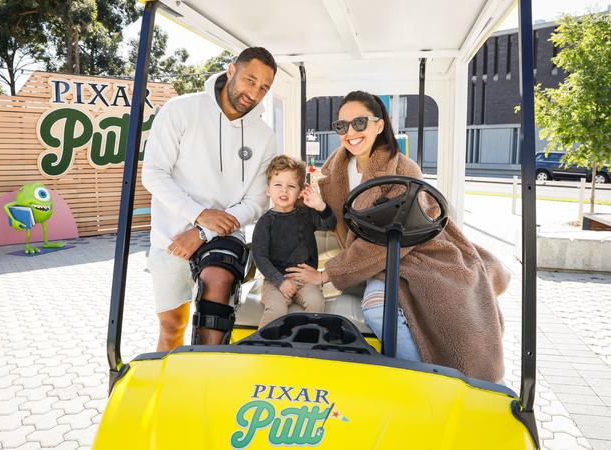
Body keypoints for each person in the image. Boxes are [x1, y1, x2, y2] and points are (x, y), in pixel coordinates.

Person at [285, 91, 510, 383]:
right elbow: (336, 220)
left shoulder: (404, 169)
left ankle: (424, 381)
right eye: (342, 126)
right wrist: (313, 205)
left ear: (379, 125)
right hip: (374, 259)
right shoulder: (334, 168)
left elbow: (392, 239)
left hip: (418, 254)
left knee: (381, 309)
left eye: (360, 123)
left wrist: (326, 274)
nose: (350, 133)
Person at [142, 47, 278, 350]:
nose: (254, 93)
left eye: (263, 88)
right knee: (171, 327)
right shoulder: (180, 110)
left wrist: (204, 231)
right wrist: (198, 215)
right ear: (231, 71)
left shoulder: (264, 136)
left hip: (225, 233)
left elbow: (257, 202)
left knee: (216, 289)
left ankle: (206, 370)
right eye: (249, 80)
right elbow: (153, 174)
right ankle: (171, 388)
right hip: (171, 236)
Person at [252, 155, 337, 328]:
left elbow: (330, 224)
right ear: (268, 189)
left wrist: (320, 206)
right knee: (276, 310)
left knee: (316, 303)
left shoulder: (306, 214)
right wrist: (280, 281)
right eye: (278, 185)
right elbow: (260, 257)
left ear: (300, 191)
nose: (284, 191)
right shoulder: (265, 222)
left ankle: (306, 342)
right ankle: (264, 346)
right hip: (275, 281)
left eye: (291, 186)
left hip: (305, 279)